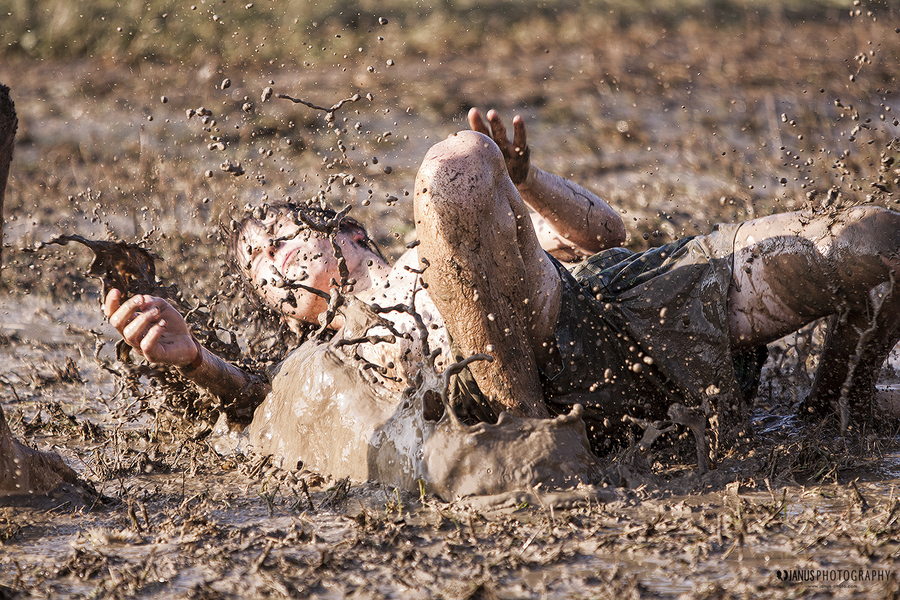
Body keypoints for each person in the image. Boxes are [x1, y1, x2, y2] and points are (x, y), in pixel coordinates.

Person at [104, 108, 900, 458]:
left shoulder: (455, 239)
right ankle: (531, 439)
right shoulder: (321, 365)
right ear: (283, 322)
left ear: (351, 235)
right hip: (511, 395)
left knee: (878, 241)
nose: (274, 269)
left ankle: (840, 403)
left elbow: (604, 237)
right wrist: (195, 363)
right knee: (453, 166)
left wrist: (528, 183)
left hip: (615, 310)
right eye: (259, 273)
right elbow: (261, 403)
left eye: (282, 243)